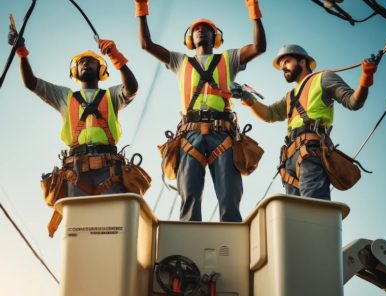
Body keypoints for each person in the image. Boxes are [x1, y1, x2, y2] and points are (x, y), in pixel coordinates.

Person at [135, 0, 266, 222]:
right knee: (189, 196)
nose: (201, 32)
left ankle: (231, 244)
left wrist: (253, 9)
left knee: (229, 197)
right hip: (190, 133)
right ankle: (188, 248)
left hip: (223, 133)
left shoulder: (228, 59)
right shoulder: (179, 61)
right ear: (190, 38)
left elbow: (258, 47)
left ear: (215, 38)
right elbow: (147, 45)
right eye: (197, 30)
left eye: (207, 30)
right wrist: (141, 9)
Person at [9, 28, 139, 235]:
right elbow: (30, 83)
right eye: (81, 62)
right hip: (77, 170)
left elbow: (132, 88)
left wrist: (117, 58)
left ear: (101, 69)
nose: (86, 63)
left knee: (114, 227)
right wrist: (21, 53)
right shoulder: (65, 97)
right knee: (78, 228)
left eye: (92, 61)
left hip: (109, 168)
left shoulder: (112, 95)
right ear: (74, 71)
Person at [235, 44, 382, 200]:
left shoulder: (323, 78)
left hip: (311, 151)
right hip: (289, 159)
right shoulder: (290, 96)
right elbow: (269, 114)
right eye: (281, 65)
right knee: (294, 216)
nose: (283, 67)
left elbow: (353, 102)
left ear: (303, 62)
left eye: (287, 61)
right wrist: (248, 99)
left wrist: (366, 78)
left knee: (313, 208)